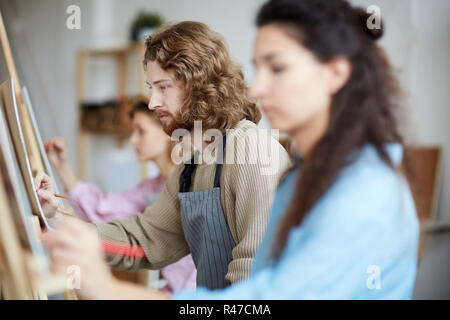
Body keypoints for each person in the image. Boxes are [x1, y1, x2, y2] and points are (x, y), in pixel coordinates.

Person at [43, 0, 420, 299]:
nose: (257, 88)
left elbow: (257, 299)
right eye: (258, 68)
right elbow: (146, 239)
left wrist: (111, 293)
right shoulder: (204, 162)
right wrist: (57, 223)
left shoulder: (262, 156)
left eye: (277, 68)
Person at [36, 20, 292, 293]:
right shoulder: (193, 165)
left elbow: (256, 281)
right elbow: (144, 240)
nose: (152, 102)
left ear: (198, 84)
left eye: (163, 87)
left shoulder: (251, 151)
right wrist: (55, 217)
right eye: (151, 88)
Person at [44, 100, 197, 293]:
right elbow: (102, 209)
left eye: (141, 131)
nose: (132, 140)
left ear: (167, 130)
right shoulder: (151, 188)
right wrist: (61, 167)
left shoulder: (195, 182)